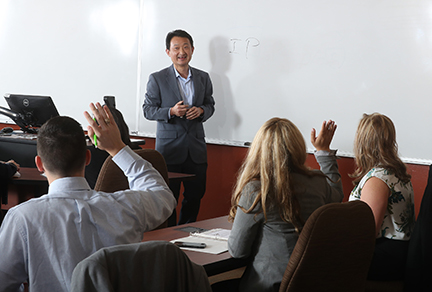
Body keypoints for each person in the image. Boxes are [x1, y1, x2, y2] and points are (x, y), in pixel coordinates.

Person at [0, 103, 176, 292]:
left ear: (39, 164)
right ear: (87, 158)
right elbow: (162, 194)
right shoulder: (126, 206)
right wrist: (117, 148)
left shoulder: (23, 218)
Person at [225, 118, 344, 292]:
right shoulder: (318, 182)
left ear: (258, 150)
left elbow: (238, 251)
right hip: (312, 282)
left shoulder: (257, 190)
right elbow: (336, 194)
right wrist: (323, 152)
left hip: (270, 285)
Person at [143, 29, 215, 226]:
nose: (181, 52)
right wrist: (171, 112)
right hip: (170, 151)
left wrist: (201, 111)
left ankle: (186, 234)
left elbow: (210, 105)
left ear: (192, 50)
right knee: (168, 199)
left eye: (185, 47)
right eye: (176, 48)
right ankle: (170, 237)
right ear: (168, 52)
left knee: (195, 196)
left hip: (196, 149)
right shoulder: (157, 78)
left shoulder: (203, 77)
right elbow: (148, 110)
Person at [348, 113, 415, 281]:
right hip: (397, 252)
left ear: (362, 142)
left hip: (384, 257)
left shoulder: (377, 180)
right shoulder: (396, 172)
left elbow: (368, 231)